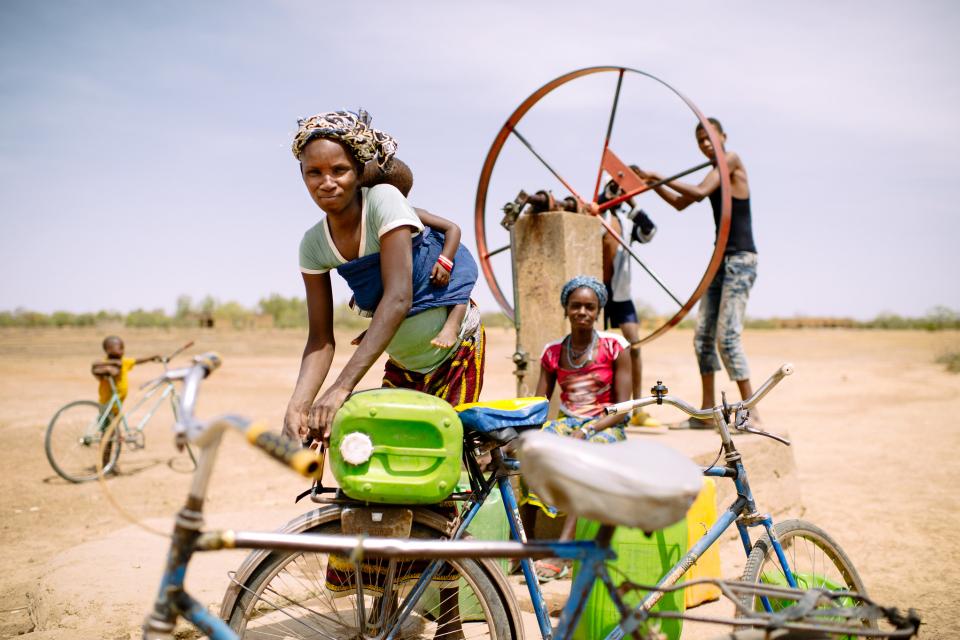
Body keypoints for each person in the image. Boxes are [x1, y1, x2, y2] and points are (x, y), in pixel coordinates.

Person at [282, 108, 484, 440]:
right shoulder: (313, 245)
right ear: (302, 175)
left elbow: (398, 298)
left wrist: (341, 387)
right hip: (404, 362)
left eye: (340, 170)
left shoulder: (383, 202)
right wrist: (298, 405)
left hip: (456, 353)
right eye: (313, 173)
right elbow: (320, 340)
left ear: (360, 171)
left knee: (449, 451)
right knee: (391, 455)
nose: (327, 182)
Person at [636, 117, 760, 428]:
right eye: (700, 140)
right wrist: (652, 184)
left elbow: (700, 192)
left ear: (723, 136)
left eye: (709, 137)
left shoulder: (731, 161)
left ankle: (751, 415)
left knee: (727, 339)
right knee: (703, 338)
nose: (705, 144)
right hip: (719, 261)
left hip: (740, 261)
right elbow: (681, 202)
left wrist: (658, 175)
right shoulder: (715, 172)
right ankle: (707, 415)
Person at [519, 275, 631, 581]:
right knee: (535, 449)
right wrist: (519, 435)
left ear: (598, 312)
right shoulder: (553, 352)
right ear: (566, 309)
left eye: (589, 307)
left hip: (607, 424)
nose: (582, 312)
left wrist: (589, 429)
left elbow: (623, 408)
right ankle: (526, 545)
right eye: (576, 306)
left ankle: (564, 551)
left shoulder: (615, 346)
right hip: (569, 423)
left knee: (586, 456)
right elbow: (539, 404)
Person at [597, 179, 660, 428]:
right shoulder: (596, 216)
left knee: (634, 345)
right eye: (614, 188)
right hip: (597, 294)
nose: (617, 193)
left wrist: (631, 200)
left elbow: (650, 231)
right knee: (596, 349)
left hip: (621, 292)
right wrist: (605, 196)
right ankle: (601, 406)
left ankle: (637, 409)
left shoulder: (625, 221)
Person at [97, 336, 159, 412]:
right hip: (109, 399)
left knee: (115, 419)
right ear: (108, 350)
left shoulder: (123, 361)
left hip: (118, 398)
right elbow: (98, 370)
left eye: (123, 348)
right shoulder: (105, 363)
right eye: (120, 348)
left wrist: (150, 358)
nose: (123, 351)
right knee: (108, 419)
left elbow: (136, 361)